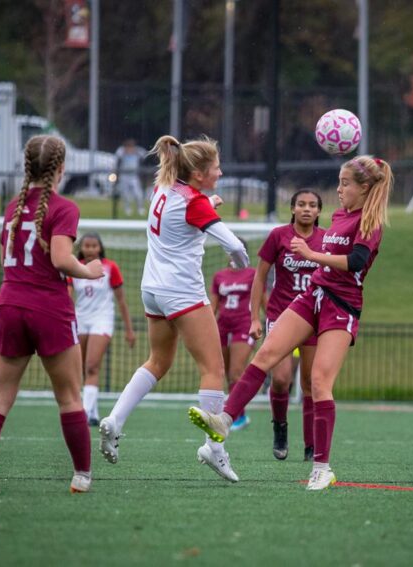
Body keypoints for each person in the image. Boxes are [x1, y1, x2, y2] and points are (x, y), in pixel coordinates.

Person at [189, 155, 392, 490]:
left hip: (341, 305)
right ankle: (224, 420)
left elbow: (356, 262)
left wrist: (312, 256)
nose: (339, 190)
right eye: (339, 182)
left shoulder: (370, 221)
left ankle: (322, 468)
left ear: (364, 188)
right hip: (312, 295)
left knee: (319, 381)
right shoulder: (340, 215)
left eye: (345, 183)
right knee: (266, 356)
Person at [99, 134, 249, 483]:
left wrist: (208, 202)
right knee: (213, 367)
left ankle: (115, 420)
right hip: (182, 292)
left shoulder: (163, 190)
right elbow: (235, 245)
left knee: (158, 361)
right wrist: (238, 259)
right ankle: (215, 448)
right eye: (216, 167)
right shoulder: (195, 203)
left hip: (152, 289)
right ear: (198, 173)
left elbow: (188, 210)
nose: (221, 172)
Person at [0, 135, 105, 494]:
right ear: (61, 168)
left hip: (10, 302)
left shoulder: (13, 206)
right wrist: (90, 270)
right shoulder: (63, 207)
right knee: (70, 397)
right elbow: (60, 258)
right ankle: (82, 476)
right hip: (48, 308)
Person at [249, 190, 325, 461]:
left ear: (318, 211)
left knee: (310, 382)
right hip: (281, 315)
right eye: (301, 204)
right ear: (292, 208)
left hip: (314, 317)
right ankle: (280, 427)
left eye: (312, 205)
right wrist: (255, 318)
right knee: (280, 379)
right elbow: (260, 277)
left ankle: (310, 446)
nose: (307, 209)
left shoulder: (326, 240)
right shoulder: (278, 236)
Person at [69, 233, 136, 426]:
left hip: (102, 319)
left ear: (100, 248)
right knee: (80, 368)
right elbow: (67, 296)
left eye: (94, 246)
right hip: (81, 319)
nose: (90, 249)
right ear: (81, 248)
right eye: (86, 246)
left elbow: (121, 300)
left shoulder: (110, 267)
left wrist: (129, 330)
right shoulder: (74, 267)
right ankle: (93, 413)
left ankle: (84, 412)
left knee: (92, 365)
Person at [210, 240, 262, 432]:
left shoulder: (252, 274)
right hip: (223, 325)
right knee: (225, 372)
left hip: (243, 324)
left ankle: (237, 416)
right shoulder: (219, 276)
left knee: (236, 372)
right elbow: (213, 306)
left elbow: (262, 299)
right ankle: (235, 414)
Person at [114, 138, 148, 217]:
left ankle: (140, 208)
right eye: (128, 146)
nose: (129, 149)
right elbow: (117, 156)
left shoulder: (137, 151)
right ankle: (127, 209)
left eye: (131, 146)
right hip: (124, 176)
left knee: (138, 194)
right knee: (125, 195)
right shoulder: (121, 151)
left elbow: (145, 154)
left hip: (133, 176)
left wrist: (135, 151)